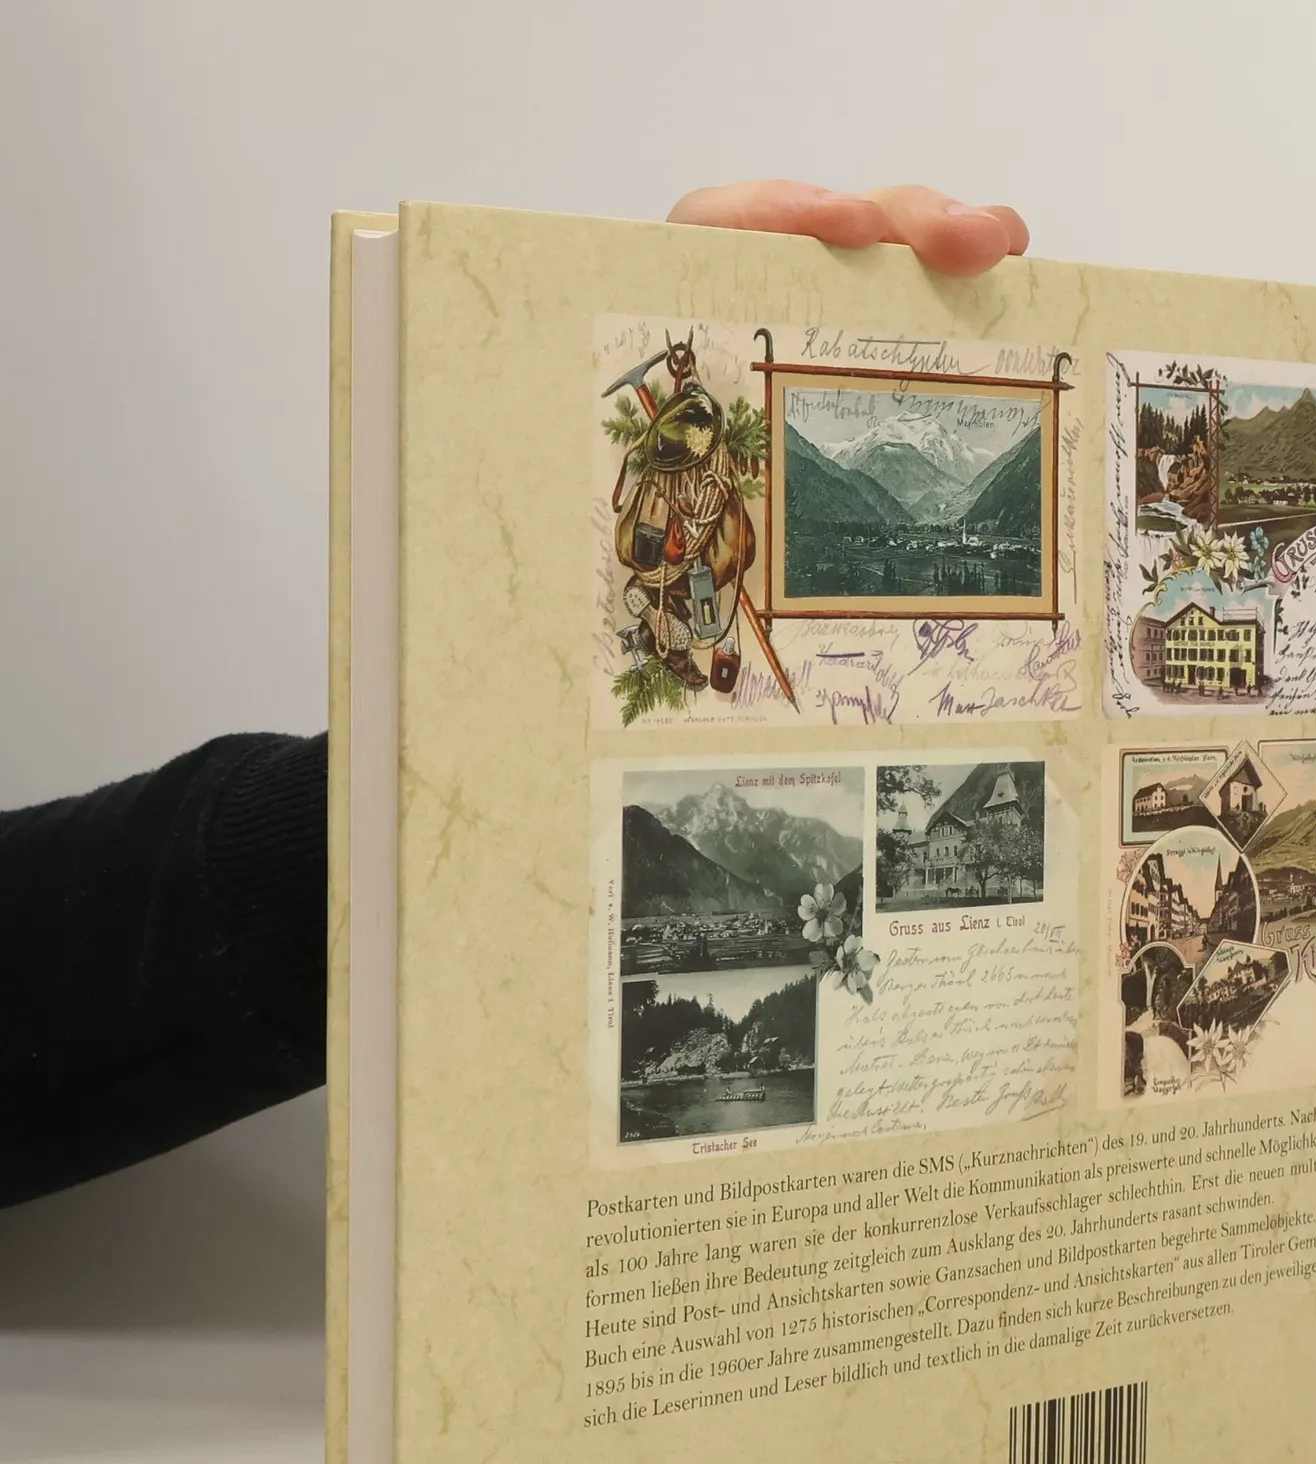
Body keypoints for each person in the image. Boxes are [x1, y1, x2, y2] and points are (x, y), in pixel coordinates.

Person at [0, 183, 1030, 1209]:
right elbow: (649, 541)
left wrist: (470, 753)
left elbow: (64, 936)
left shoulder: (706, 488)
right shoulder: (656, 493)